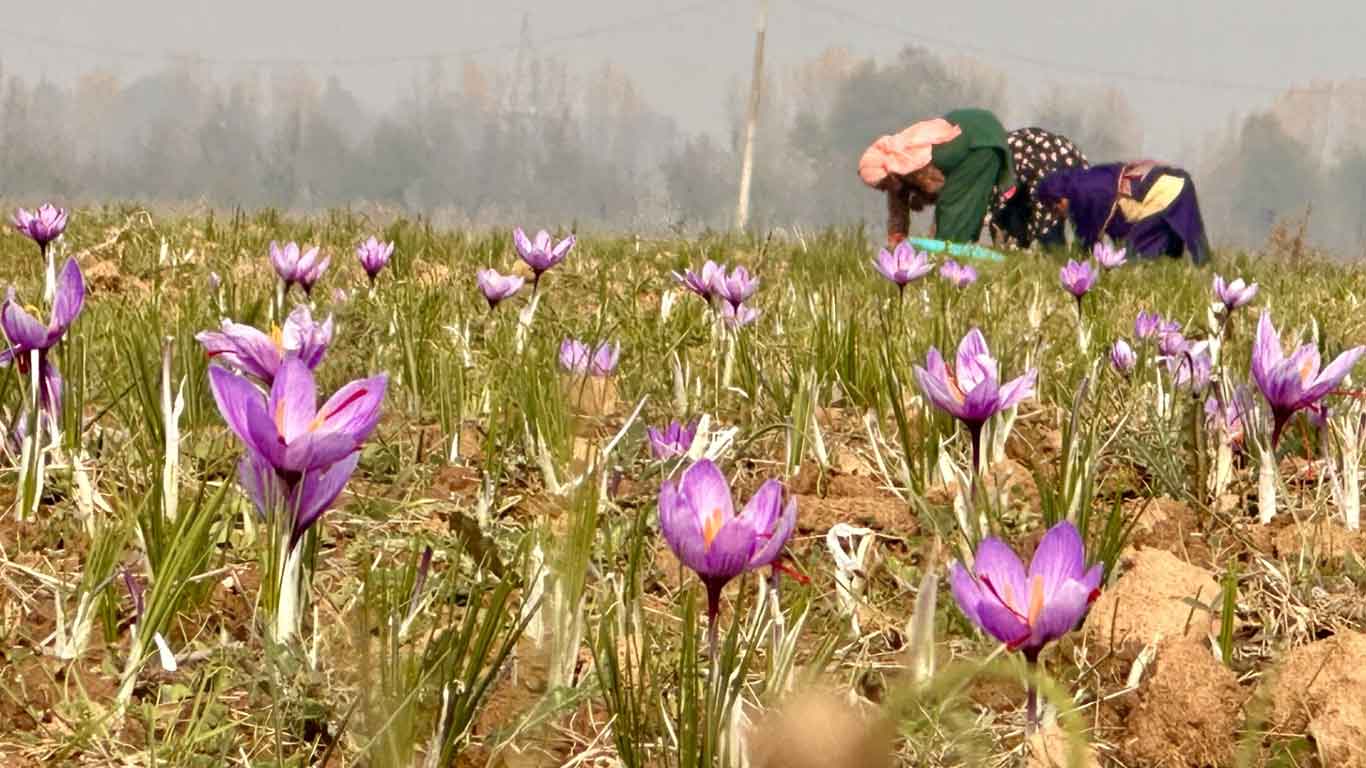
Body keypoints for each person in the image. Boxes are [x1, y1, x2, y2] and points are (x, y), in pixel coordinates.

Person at [859, 108, 1016, 247]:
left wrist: (918, 200)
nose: (882, 189)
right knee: (961, 208)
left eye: (882, 184)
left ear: (888, 174)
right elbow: (897, 206)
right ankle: (960, 247)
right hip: (977, 133)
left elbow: (941, 191)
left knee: (954, 207)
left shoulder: (912, 161)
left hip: (979, 141)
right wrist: (897, 233)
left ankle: (951, 253)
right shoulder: (899, 162)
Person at [1036, 161, 1211, 265]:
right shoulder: (1085, 181)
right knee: (1167, 258)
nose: (1057, 213)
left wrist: (1078, 260)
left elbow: (1088, 238)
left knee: (1137, 260)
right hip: (1169, 186)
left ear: (1060, 198)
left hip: (1160, 194)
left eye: (1054, 207)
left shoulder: (1086, 193)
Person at [987, 127, 1088, 249]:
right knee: (1034, 236)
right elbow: (1042, 224)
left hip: (1036, 160)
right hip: (1011, 165)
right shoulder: (1045, 184)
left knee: (1052, 231)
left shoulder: (1085, 175)